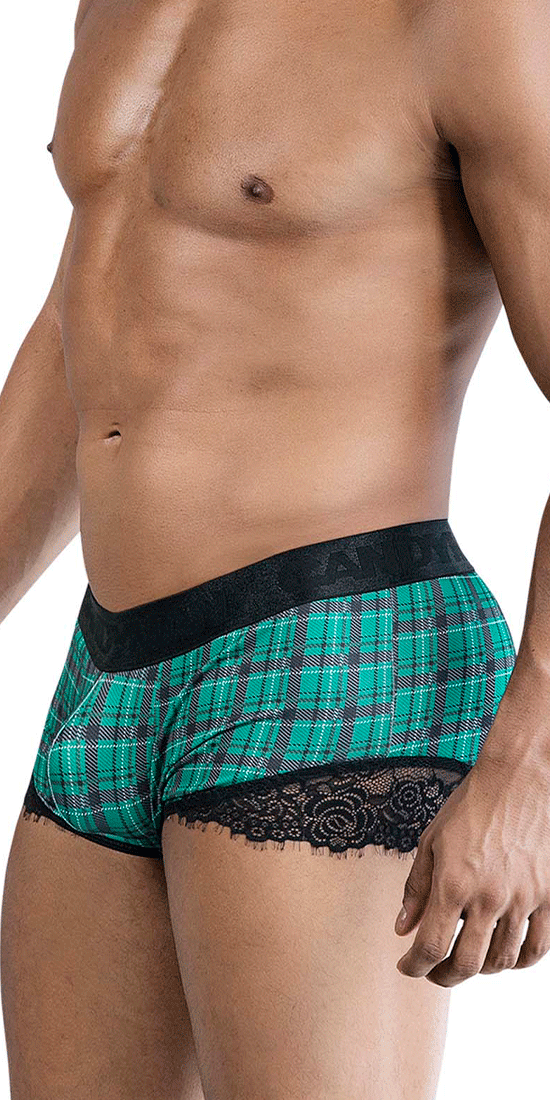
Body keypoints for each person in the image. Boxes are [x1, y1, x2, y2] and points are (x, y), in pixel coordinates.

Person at [1, 0, 550, 1096]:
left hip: (340, 654)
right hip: (106, 672)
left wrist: (529, 765)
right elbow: (97, 322)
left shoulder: (469, 17)